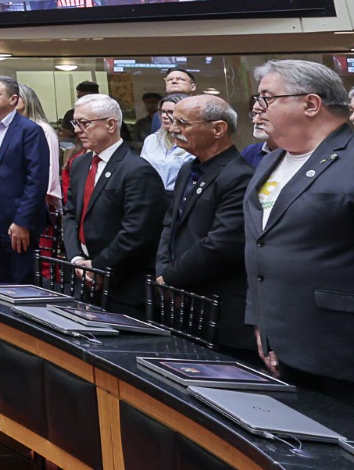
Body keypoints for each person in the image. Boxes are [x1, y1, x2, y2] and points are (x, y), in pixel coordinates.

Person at [244, 59, 354, 401]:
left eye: (267, 98)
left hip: (339, 348)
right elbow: (260, 244)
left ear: (310, 104)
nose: (257, 109)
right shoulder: (270, 160)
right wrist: (263, 322)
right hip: (280, 342)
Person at [155, 94, 253, 352]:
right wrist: (163, 272)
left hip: (218, 305)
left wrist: (171, 278)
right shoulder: (188, 168)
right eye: (173, 121)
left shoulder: (239, 175)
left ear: (218, 129)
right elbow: (169, 225)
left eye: (183, 123)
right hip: (181, 299)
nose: (174, 129)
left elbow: (222, 243)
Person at [62, 94, 166, 314]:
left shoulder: (137, 170)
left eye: (84, 123)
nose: (78, 129)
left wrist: (99, 268)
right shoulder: (80, 163)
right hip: (83, 275)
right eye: (75, 123)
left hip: (124, 283)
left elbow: (137, 233)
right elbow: (71, 214)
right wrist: (76, 258)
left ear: (111, 124)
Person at [0, 76, 50, 283]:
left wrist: (22, 222)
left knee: (21, 279)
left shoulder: (30, 130)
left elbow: (37, 181)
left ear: (13, 99)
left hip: (16, 216)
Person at [15, 83, 63, 212]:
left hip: (39, 200)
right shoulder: (13, 128)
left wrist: (41, 198)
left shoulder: (44, 129)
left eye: (16, 96)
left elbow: (51, 166)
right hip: (17, 197)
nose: (12, 100)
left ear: (27, 99)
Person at [140, 93, 196, 191]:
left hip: (181, 196)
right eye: (162, 112)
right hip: (151, 194)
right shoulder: (151, 140)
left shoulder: (194, 142)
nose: (164, 116)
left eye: (170, 112)